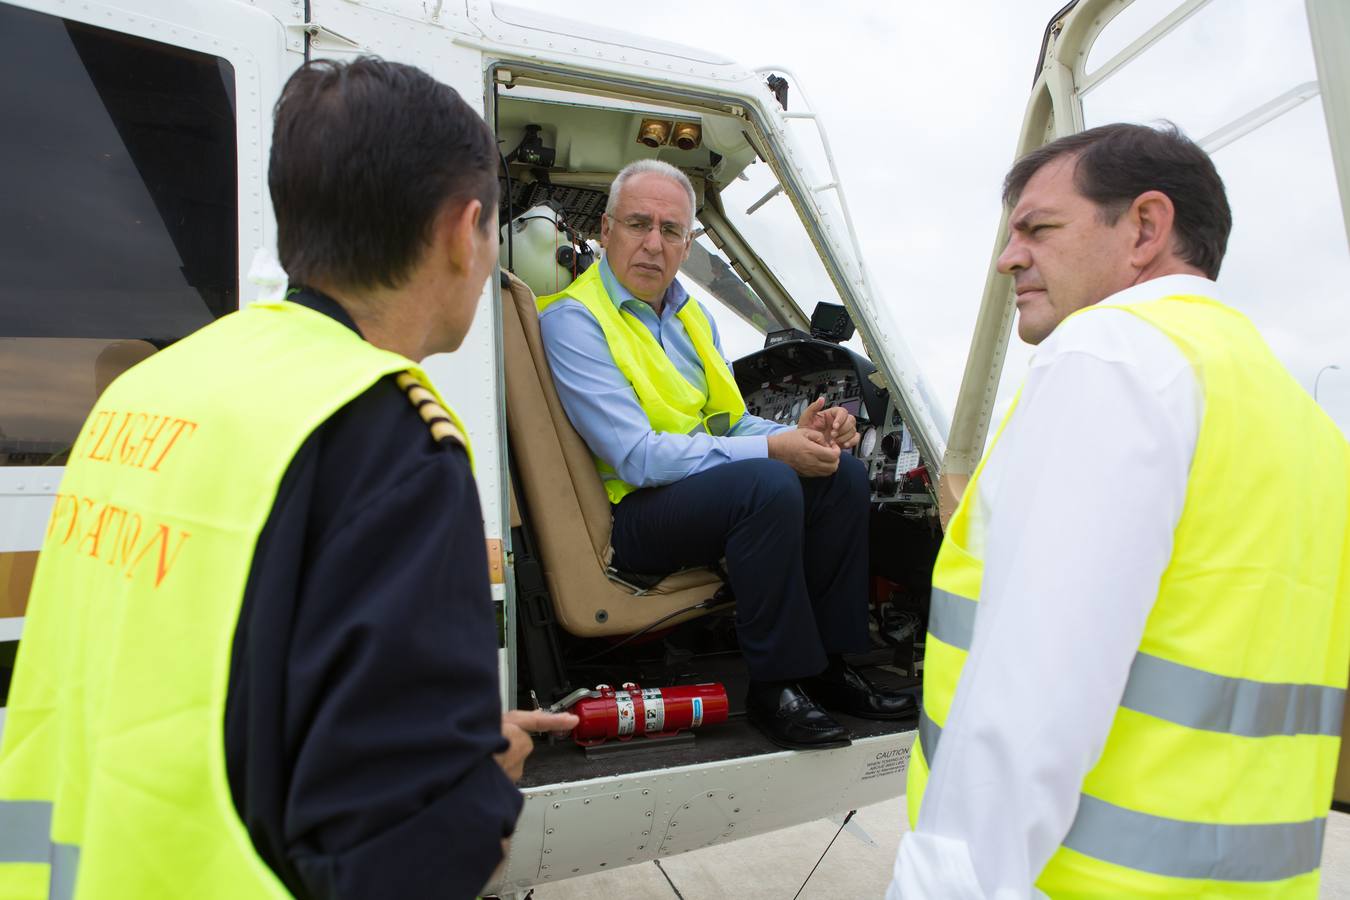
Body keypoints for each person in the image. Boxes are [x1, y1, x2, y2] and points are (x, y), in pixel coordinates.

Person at [0, 58, 574, 900]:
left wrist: (426, 731)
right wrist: (472, 777)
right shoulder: (387, 439)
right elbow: (400, 846)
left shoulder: (146, 391)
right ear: (465, 229)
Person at [889, 122, 1350, 898]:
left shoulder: (1112, 353)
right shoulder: (1304, 424)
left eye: (1038, 228)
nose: (1008, 257)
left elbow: (1031, 692)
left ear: (1144, 227)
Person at [537, 159, 914, 751]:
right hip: (635, 512)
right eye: (638, 224)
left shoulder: (692, 317)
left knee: (838, 475)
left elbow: (731, 420)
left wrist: (804, 431)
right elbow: (635, 457)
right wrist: (771, 451)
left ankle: (831, 666)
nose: (653, 244)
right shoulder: (575, 321)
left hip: (696, 496)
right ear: (606, 231)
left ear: (687, 245)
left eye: (670, 230)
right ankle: (775, 685)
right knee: (767, 485)